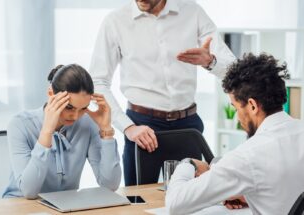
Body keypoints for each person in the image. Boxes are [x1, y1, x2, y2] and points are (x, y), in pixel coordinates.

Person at [89, 0, 235, 186]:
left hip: (187, 126)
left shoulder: (193, 12)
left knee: (192, 200)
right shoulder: (115, 21)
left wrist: (210, 61)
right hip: (141, 128)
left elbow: (233, 68)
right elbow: (98, 82)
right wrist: (128, 127)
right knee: (138, 203)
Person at [165, 53, 304, 215]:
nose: (238, 118)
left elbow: (175, 204)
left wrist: (188, 164)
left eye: (236, 108)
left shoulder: (249, 156)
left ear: (252, 106)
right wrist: (250, 195)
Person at [3, 64, 121, 199]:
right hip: (21, 206)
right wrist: (47, 131)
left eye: (83, 108)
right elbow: (29, 192)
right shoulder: (20, 124)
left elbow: (110, 185)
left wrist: (106, 130)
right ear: (51, 94)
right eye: (69, 107)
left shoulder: (87, 124)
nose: (75, 116)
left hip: (63, 207)